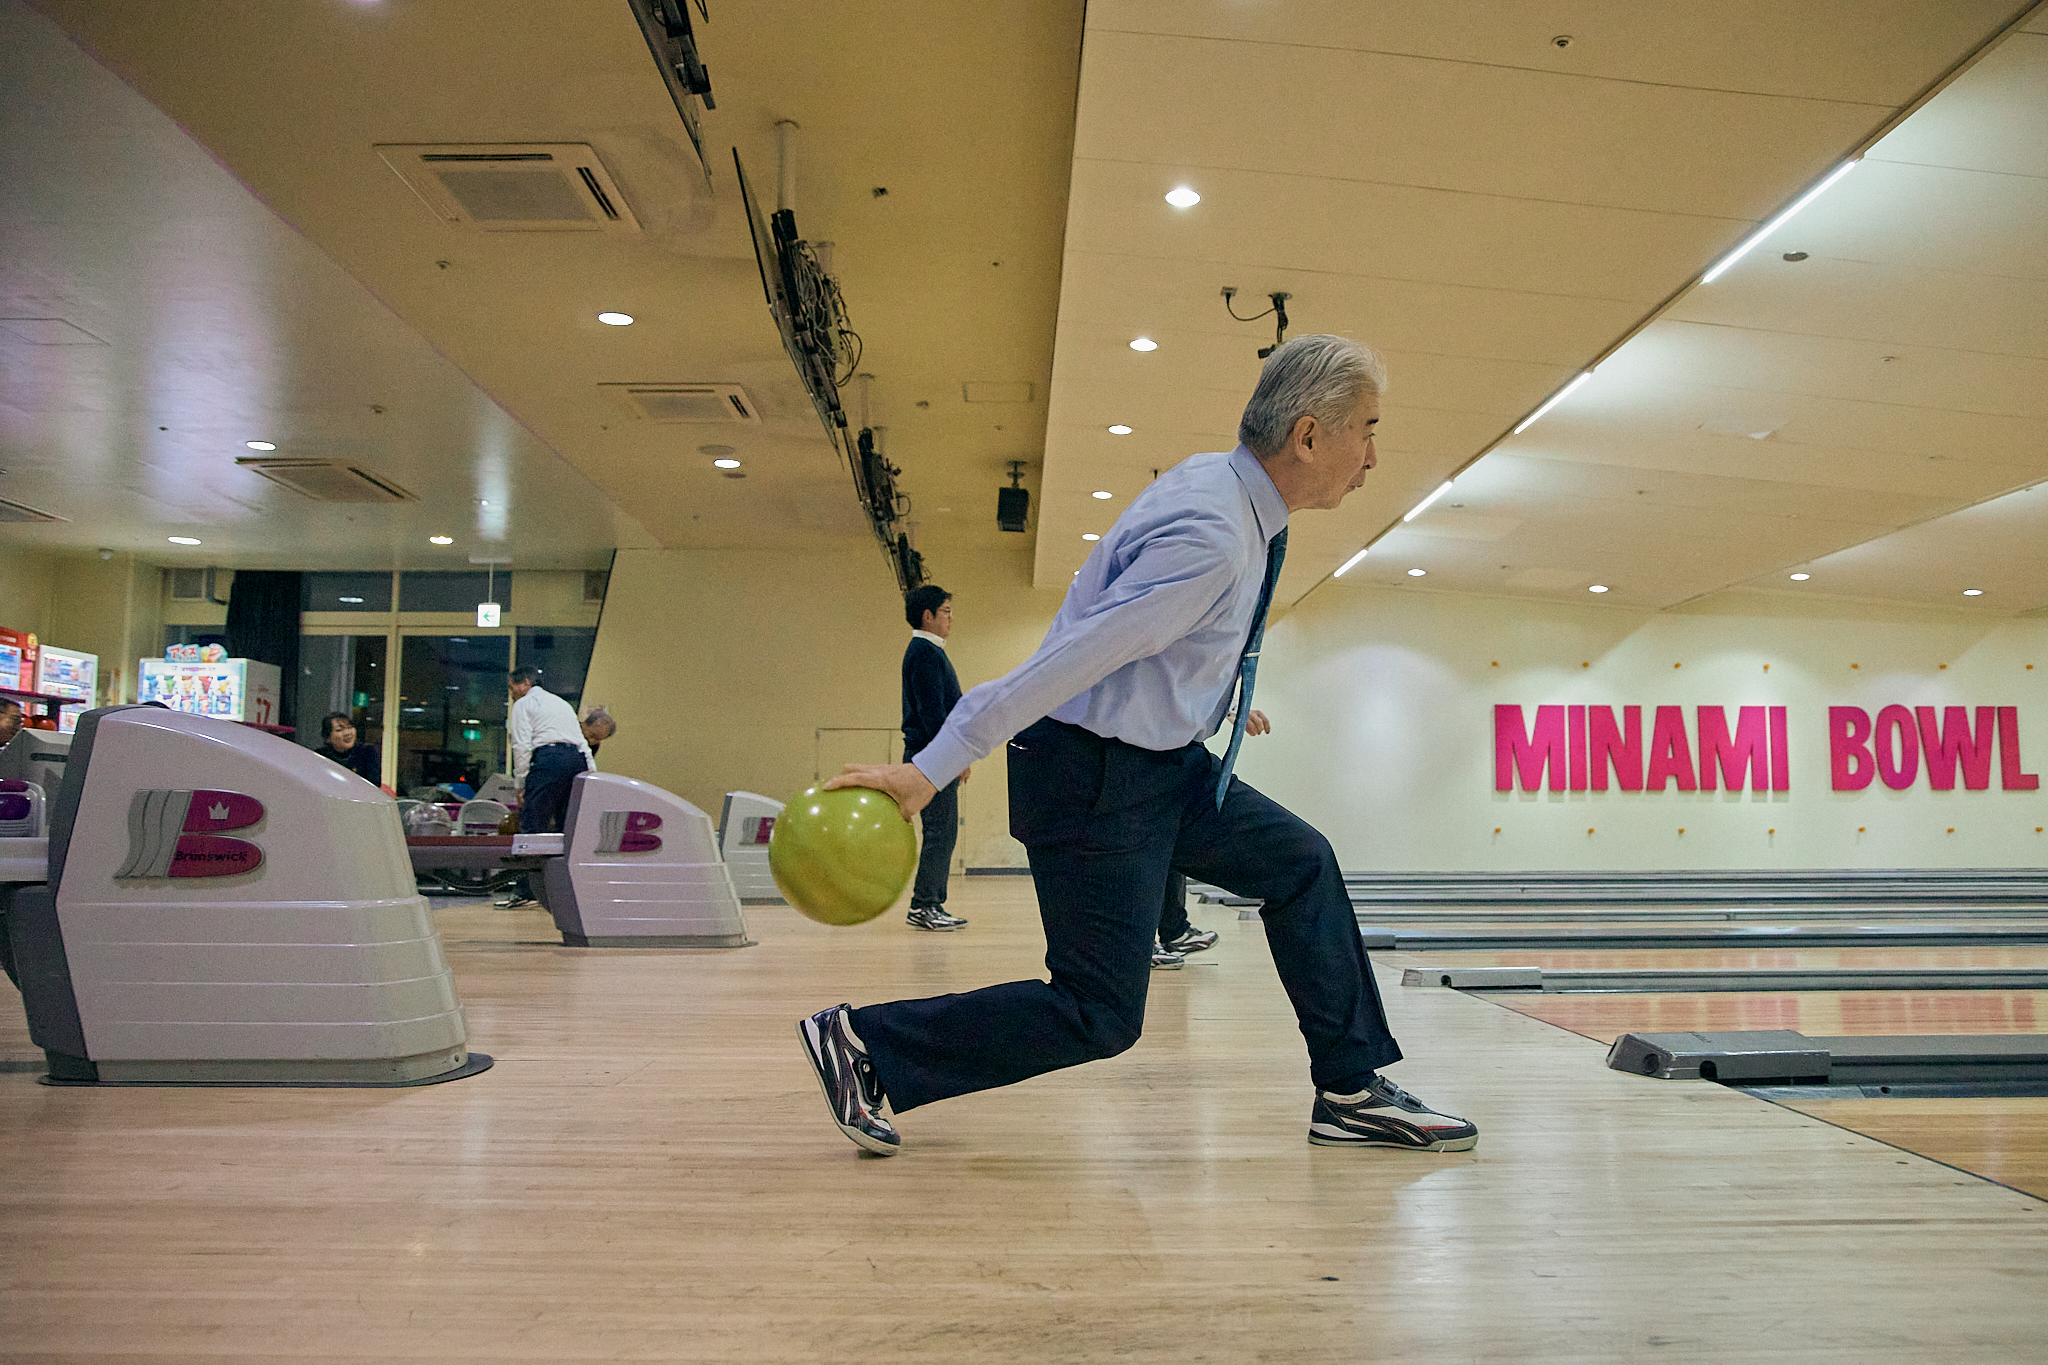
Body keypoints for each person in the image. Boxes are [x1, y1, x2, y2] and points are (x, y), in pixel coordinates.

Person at [797, 334, 1476, 1157]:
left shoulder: (1225, 490)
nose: (1373, 454)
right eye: (1366, 429)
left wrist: (1220, 700)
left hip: (1159, 767)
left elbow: (1159, 651)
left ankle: (1349, 1086)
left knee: (1302, 862)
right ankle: (866, 1047)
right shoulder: (1214, 537)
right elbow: (1065, 661)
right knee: (1098, 1011)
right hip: (1092, 772)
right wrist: (930, 767)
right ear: (1307, 436)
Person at [899, 585, 971, 931]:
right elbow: (933, 715)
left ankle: (929, 904)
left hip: (932, 756)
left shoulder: (927, 652)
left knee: (941, 831)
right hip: (931, 758)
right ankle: (925, 905)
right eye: (945, 611)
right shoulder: (925, 653)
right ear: (927, 616)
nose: (950, 619)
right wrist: (953, 756)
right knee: (940, 832)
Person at [504, 666, 591, 909]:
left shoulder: (523, 705)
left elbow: (521, 744)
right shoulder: (562, 704)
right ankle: (567, 889)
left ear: (524, 683)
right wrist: (591, 776)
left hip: (548, 759)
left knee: (533, 824)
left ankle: (527, 890)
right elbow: (582, 743)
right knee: (568, 827)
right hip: (576, 762)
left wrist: (520, 783)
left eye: (512, 688)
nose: (512, 694)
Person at [313, 711, 380, 784]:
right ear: (327, 737)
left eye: (350, 727)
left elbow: (374, 784)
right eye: (339, 730)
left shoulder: (367, 753)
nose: (347, 733)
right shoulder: (319, 757)